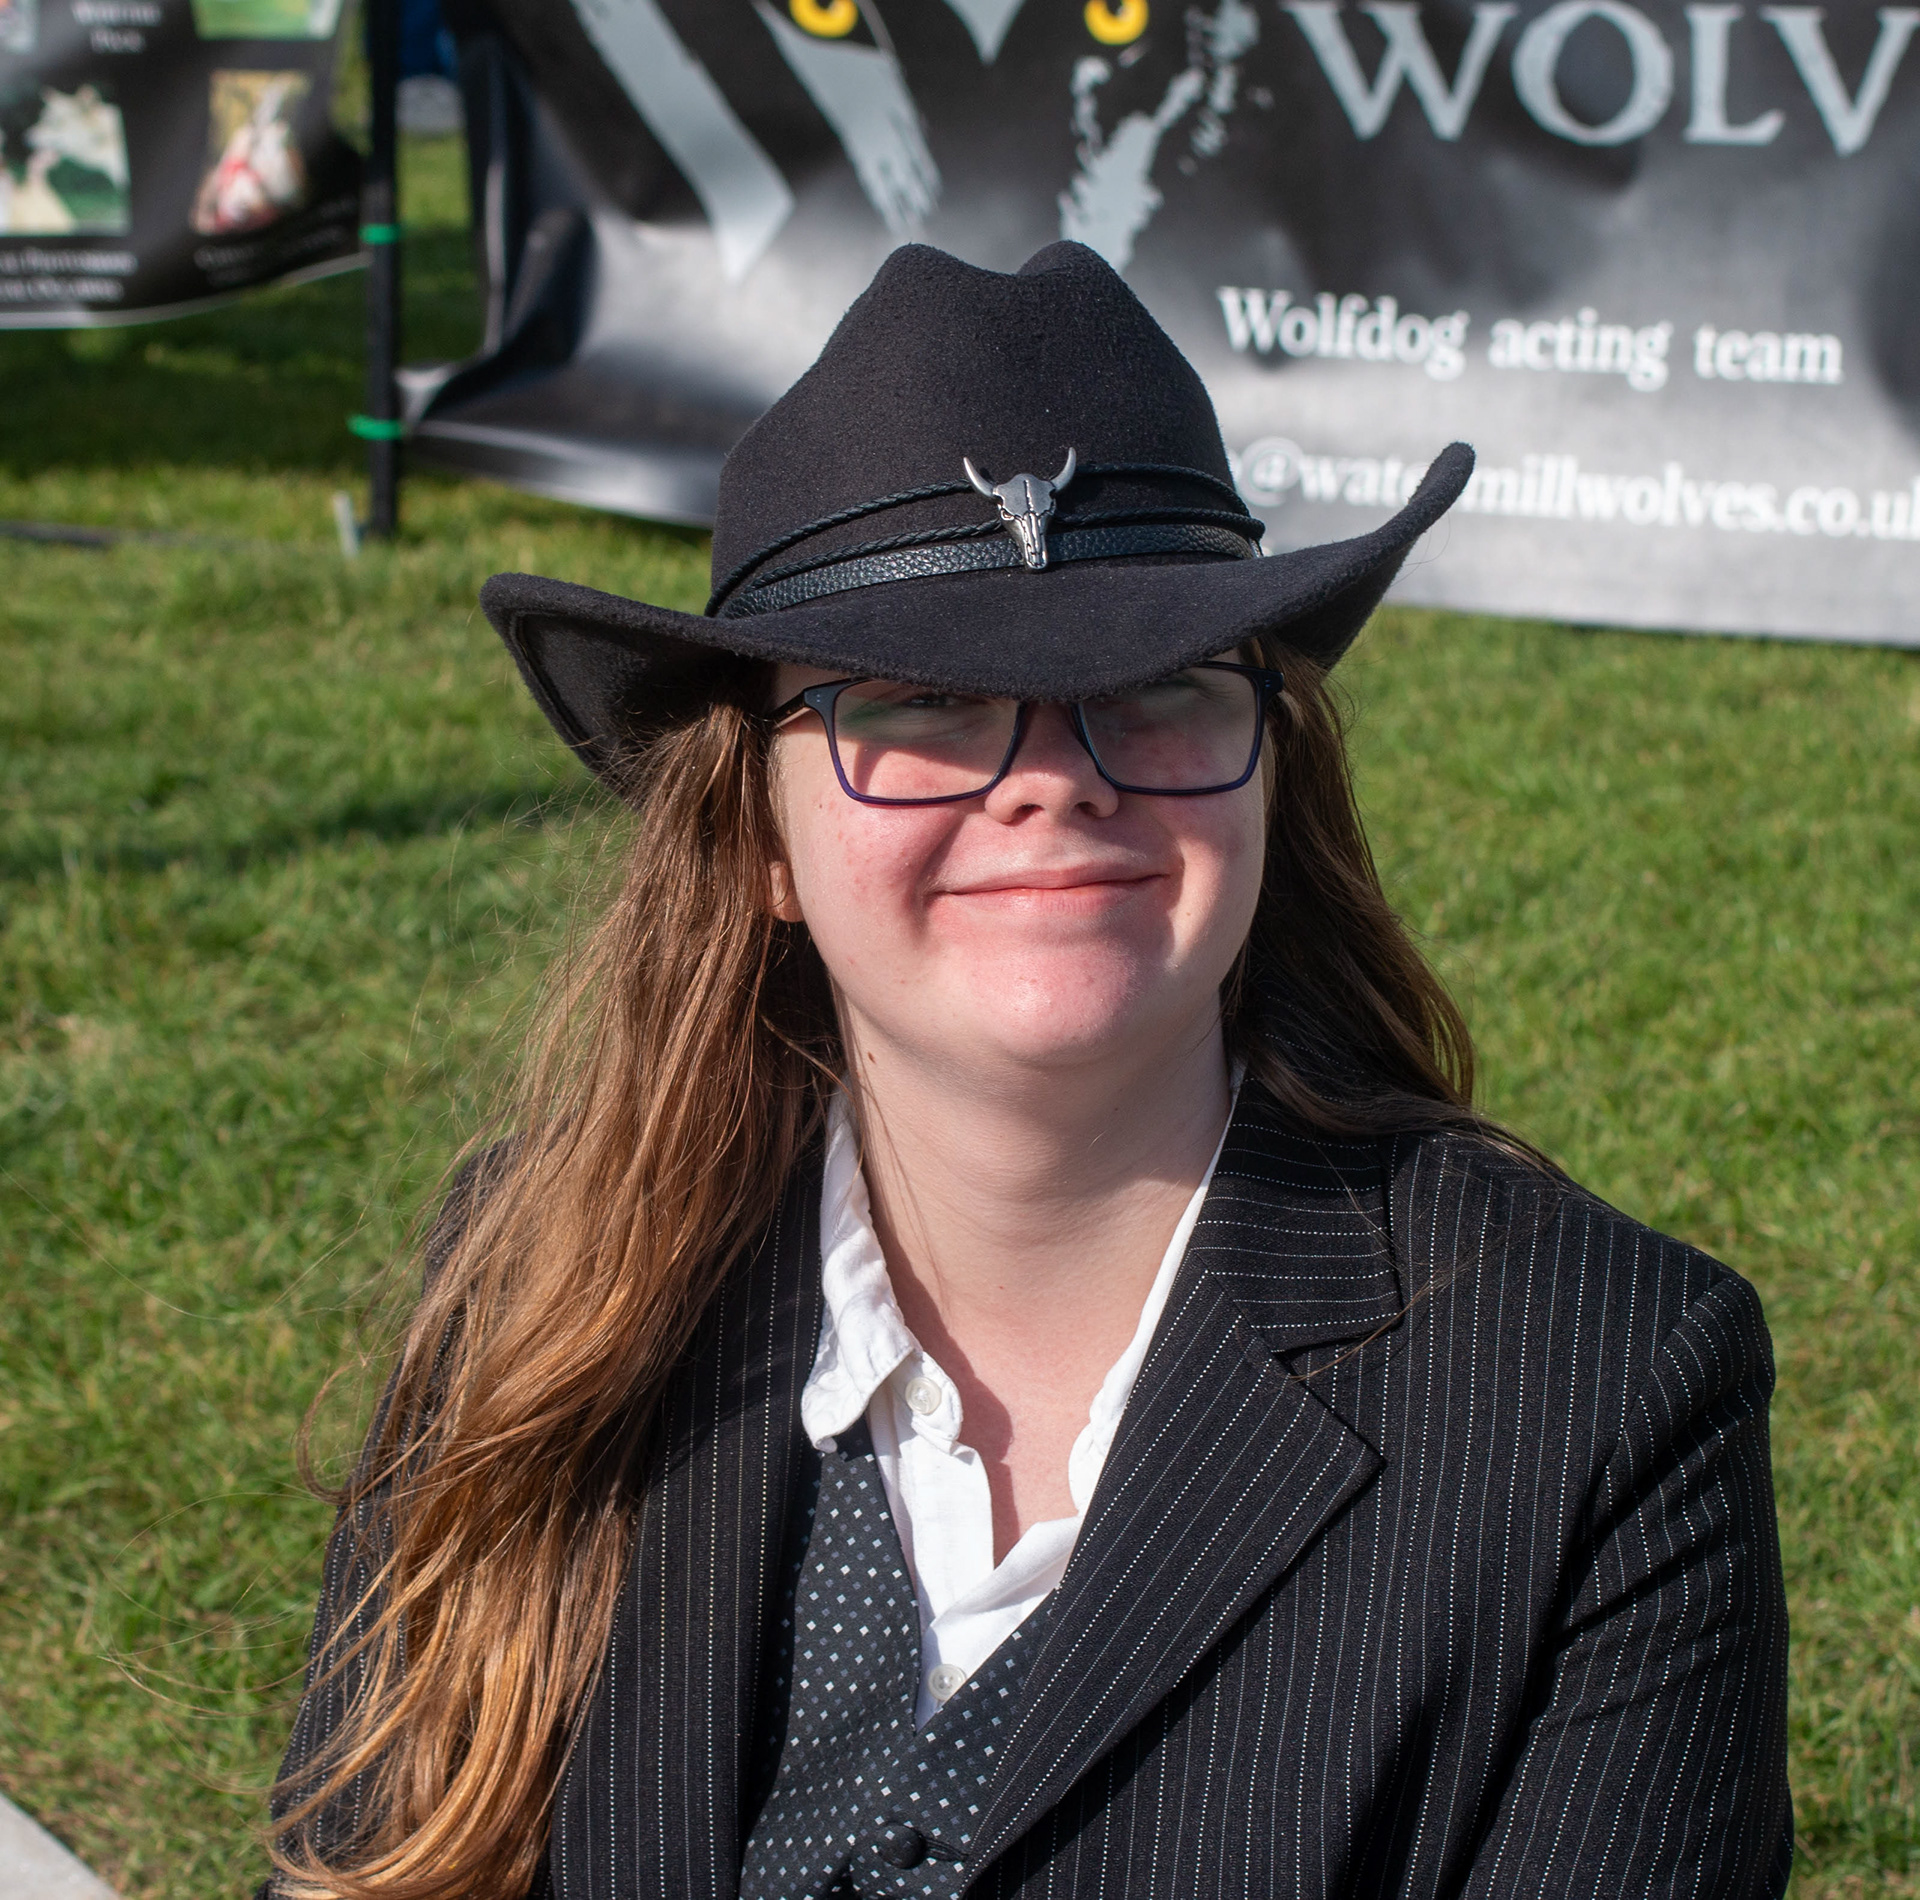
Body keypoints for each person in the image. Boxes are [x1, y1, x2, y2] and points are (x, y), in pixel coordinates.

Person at [264, 242, 1790, 1900]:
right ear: (755, 834)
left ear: (1268, 770)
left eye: (1157, 683)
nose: (1052, 782)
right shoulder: (546, 1291)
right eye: (921, 701)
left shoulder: (1596, 1390)